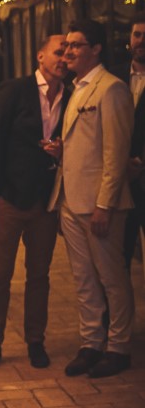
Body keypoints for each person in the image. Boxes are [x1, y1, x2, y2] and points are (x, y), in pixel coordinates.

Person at [0, 35, 71, 372]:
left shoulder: (72, 94)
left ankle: (36, 340)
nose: (64, 57)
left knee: (39, 276)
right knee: (0, 275)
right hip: (10, 198)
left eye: (68, 52)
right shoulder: (14, 89)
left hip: (46, 200)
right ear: (40, 55)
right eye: (59, 51)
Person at [49, 19, 134, 378]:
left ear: (96, 49)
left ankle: (119, 346)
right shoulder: (77, 88)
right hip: (70, 198)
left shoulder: (111, 89)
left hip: (100, 204)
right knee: (83, 278)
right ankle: (90, 342)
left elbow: (115, 154)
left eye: (76, 46)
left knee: (112, 277)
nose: (68, 52)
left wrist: (105, 205)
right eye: (66, 46)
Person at [112, 12, 145, 269]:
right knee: (117, 257)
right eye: (137, 34)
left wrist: (140, 161)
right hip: (119, 180)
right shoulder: (112, 77)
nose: (141, 40)